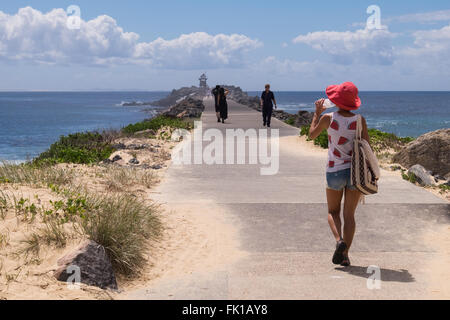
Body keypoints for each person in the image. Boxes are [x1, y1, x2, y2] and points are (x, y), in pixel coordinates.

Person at [309, 82, 370, 267]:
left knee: (332, 211)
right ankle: (345, 255)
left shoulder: (328, 118)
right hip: (355, 172)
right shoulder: (360, 120)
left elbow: (311, 135)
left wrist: (316, 113)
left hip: (334, 170)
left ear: (336, 100)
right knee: (349, 215)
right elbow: (367, 146)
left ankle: (338, 241)